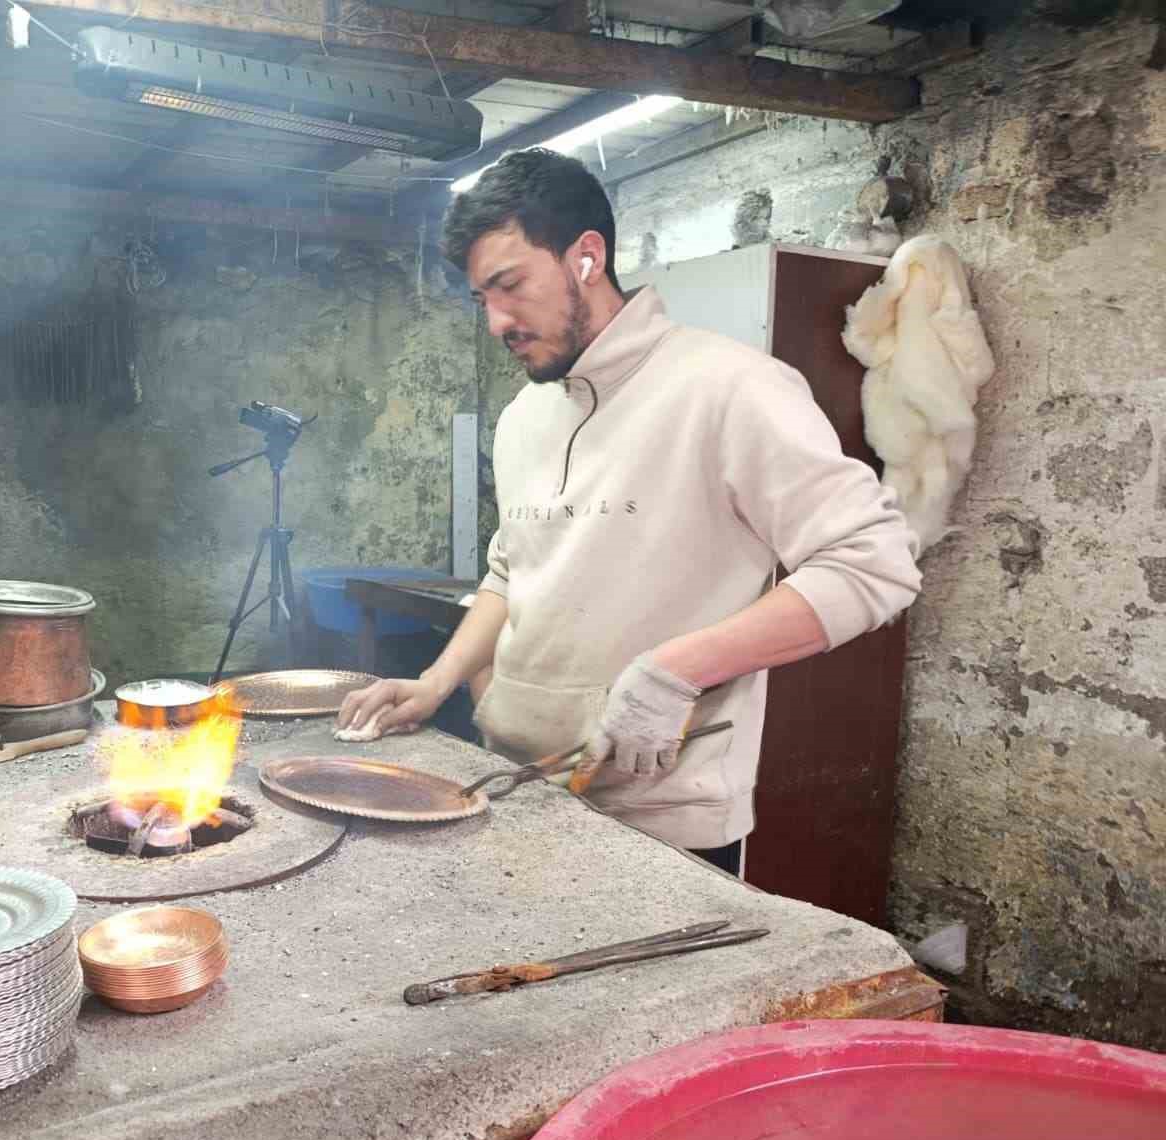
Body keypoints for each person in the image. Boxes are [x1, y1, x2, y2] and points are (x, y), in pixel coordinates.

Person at [338, 148, 922, 874]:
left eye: (510, 285)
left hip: (660, 815)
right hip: (515, 784)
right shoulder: (524, 416)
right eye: (481, 299)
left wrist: (673, 670)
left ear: (587, 257)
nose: (495, 322)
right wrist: (436, 682)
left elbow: (876, 565)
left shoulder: (731, 387)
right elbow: (510, 573)